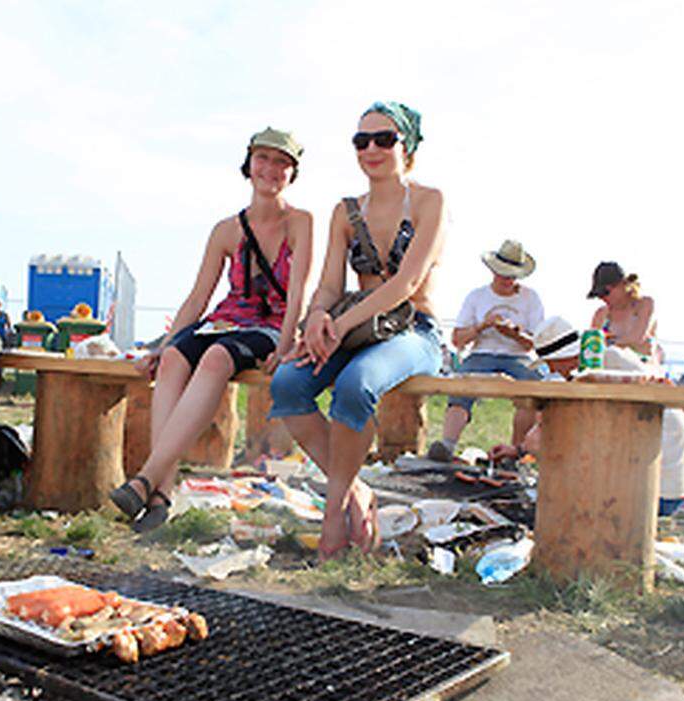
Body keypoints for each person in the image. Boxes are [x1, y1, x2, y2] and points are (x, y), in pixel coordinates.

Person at [110, 127, 313, 533]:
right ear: (249, 163)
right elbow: (198, 297)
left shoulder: (301, 222)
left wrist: (287, 344)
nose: (270, 170)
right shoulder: (226, 230)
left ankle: (146, 478)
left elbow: (299, 294)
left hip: (270, 324)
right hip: (227, 319)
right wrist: (162, 345)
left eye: (282, 163)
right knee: (171, 361)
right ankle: (160, 495)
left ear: (292, 173)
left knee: (218, 359)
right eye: (264, 159)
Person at [270, 102, 445, 559]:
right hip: (354, 331)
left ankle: (332, 513)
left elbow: (406, 284)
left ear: (407, 146)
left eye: (384, 139)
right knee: (288, 384)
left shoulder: (430, 201)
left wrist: (338, 325)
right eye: (361, 140)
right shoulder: (346, 212)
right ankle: (355, 492)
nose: (372, 148)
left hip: (413, 330)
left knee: (355, 386)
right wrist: (316, 323)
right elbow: (329, 284)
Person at [490, 316, 684, 515]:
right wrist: (518, 450)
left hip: (655, 493)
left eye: (553, 362)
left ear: (566, 357)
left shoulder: (605, 366)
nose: (552, 368)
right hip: (666, 487)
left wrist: (527, 447)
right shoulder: (602, 364)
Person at [427, 239, 543, 462]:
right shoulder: (477, 296)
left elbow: (534, 344)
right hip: (482, 354)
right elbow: (458, 339)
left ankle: (516, 452)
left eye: (512, 275)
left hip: (517, 356)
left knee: (532, 389)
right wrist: (483, 326)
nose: (507, 280)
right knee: (462, 384)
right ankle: (447, 446)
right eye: (503, 274)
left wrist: (514, 333)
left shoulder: (531, 298)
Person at [587, 261, 659, 362]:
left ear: (623, 284)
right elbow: (590, 348)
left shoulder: (644, 304)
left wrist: (606, 342)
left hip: (641, 372)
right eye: (599, 295)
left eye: (605, 292)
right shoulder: (600, 314)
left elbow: (636, 338)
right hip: (609, 372)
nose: (603, 298)